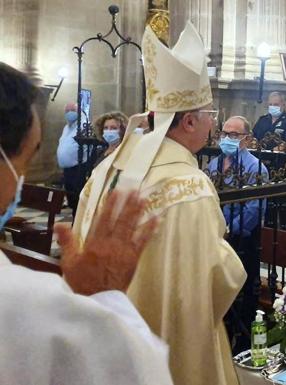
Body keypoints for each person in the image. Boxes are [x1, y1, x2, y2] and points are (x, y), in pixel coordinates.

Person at [74, 23, 246, 385]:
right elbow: (212, 277)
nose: (212, 127)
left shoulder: (110, 166)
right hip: (167, 344)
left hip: (106, 331)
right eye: (210, 117)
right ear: (188, 121)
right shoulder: (190, 186)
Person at [0, 62, 172, 385]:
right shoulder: (23, 304)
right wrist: (103, 297)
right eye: (26, 162)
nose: (21, 180)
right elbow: (133, 371)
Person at [205, 116, 268, 353]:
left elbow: (254, 207)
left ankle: (242, 342)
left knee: (243, 292)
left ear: (246, 139)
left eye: (234, 135)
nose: (227, 139)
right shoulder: (214, 165)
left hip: (242, 240)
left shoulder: (255, 167)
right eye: (224, 134)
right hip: (215, 238)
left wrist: (229, 229)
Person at [56, 102, 87, 217]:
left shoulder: (83, 125)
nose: (69, 113)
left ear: (79, 112)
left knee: (77, 198)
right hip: (67, 170)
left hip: (78, 168)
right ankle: (75, 218)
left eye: (72, 110)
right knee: (71, 198)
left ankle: (77, 219)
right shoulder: (67, 127)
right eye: (67, 111)